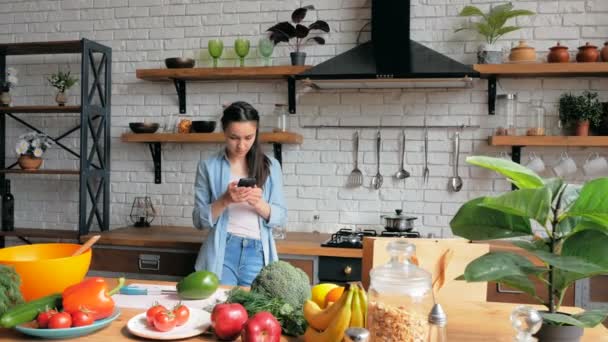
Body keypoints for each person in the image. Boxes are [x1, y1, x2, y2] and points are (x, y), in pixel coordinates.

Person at [192, 101, 287, 286]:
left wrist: (259, 203)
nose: (241, 145)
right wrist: (225, 200)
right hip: (222, 252)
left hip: (258, 252)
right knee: (219, 309)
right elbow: (198, 220)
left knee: (254, 311)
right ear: (224, 133)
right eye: (234, 137)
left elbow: (281, 217)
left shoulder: (271, 166)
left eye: (248, 137)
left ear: (256, 133)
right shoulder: (208, 167)